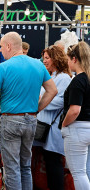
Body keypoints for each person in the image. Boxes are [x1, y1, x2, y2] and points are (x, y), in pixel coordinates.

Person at [0, 31, 57, 190]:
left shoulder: (3, 67)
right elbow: (52, 90)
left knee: (12, 169)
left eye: (1, 47)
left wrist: (3, 98)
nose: (0, 51)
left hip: (10, 121)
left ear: (9, 46)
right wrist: (36, 109)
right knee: (25, 166)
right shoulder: (38, 64)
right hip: (31, 121)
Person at [34, 45, 72, 190]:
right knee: (50, 164)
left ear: (56, 59)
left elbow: (60, 102)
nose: (44, 61)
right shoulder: (52, 76)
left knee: (54, 164)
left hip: (54, 129)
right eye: (44, 58)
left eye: (47, 58)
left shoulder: (63, 78)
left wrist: (40, 101)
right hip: (47, 127)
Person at [61, 42, 90, 189]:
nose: (67, 62)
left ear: (74, 59)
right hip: (87, 127)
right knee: (84, 172)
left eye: (68, 59)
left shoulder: (79, 80)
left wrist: (64, 124)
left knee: (78, 173)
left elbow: (74, 110)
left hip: (77, 128)